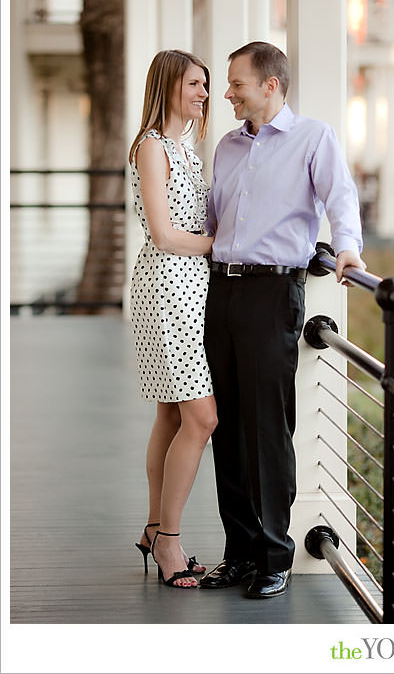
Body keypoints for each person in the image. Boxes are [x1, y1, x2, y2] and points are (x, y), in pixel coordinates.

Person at [198, 41, 365, 599]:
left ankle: (274, 555)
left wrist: (347, 249)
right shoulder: (226, 146)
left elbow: (341, 198)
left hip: (274, 293)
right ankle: (240, 552)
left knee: (268, 426)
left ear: (270, 85)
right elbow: (215, 221)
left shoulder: (313, 138)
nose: (227, 93)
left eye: (237, 83)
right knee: (228, 426)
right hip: (219, 293)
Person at [128, 49, 217, 588]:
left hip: (192, 290)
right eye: (194, 83)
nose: (204, 93)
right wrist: (226, 247)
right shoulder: (152, 147)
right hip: (167, 290)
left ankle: (154, 526)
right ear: (168, 85)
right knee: (201, 419)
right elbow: (163, 234)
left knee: (170, 415)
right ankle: (170, 543)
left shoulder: (186, 148)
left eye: (206, 85)